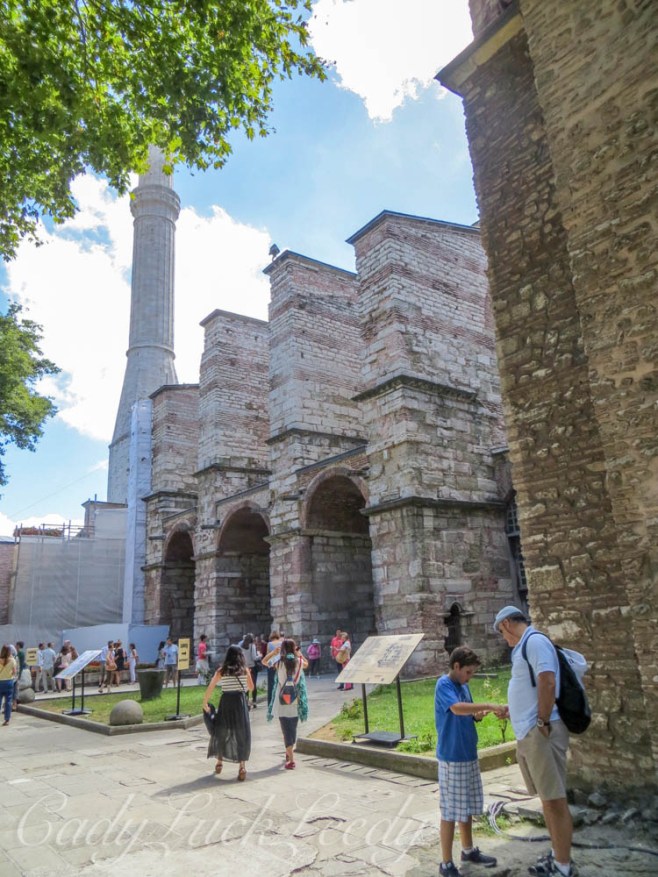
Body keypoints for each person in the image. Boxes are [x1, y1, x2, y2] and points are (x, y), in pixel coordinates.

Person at [493, 606, 576, 877]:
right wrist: (513, 708)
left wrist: (541, 720)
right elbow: (529, 687)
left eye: (501, 632)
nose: (503, 638)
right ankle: (556, 857)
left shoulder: (535, 641)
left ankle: (563, 867)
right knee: (547, 799)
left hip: (541, 733)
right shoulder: (523, 646)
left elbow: (547, 682)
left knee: (554, 800)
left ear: (507, 623)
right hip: (530, 732)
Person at [435, 646, 502, 876]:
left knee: (466, 808)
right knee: (450, 811)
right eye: (469, 672)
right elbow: (456, 708)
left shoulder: (463, 685)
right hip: (452, 756)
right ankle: (445, 863)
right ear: (456, 667)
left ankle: (468, 849)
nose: (470, 677)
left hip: (468, 753)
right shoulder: (444, 684)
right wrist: (488, 705)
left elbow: (468, 712)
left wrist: (478, 715)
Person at [202, 645, 253, 781]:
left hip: (226, 703)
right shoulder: (244, 670)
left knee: (222, 732)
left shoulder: (221, 671)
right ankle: (242, 767)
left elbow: (211, 686)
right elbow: (251, 687)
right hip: (239, 703)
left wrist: (205, 702)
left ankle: (219, 762)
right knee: (241, 734)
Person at [267, 637, 309, 769]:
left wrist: (274, 653)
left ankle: (291, 759)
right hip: (295, 698)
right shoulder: (299, 662)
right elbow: (307, 664)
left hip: (282, 699)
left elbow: (264, 661)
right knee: (293, 727)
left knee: (285, 729)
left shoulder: (278, 662)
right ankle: (289, 752)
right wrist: (299, 653)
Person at [239, 633, 259, 709]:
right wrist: (260, 656)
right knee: (253, 684)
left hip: (245, 667)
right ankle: (254, 701)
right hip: (252, 667)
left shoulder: (241, 646)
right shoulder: (252, 646)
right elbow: (254, 657)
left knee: (246, 685)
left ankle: (246, 702)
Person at [0, 645, 17, 725]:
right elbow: (14, 672)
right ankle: (7, 719)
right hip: (9, 682)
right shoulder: (12, 660)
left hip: (0, 682)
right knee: (8, 701)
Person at [264, 631, 282, 707]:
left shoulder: (269, 644)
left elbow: (268, 656)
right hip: (280, 665)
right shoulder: (282, 643)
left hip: (272, 665)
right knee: (281, 683)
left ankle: (271, 703)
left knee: (271, 684)